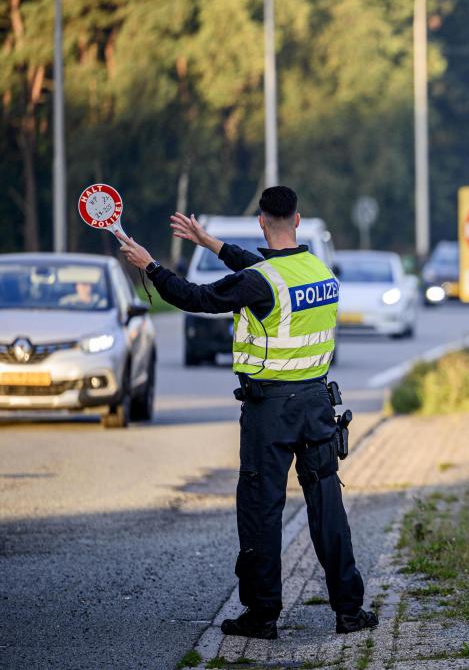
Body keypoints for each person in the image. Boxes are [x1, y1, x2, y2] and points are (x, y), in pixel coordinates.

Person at [115, 186, 377, 639]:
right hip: (317, 405)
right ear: (297, 220)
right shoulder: (317, 269)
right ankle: (349, 611)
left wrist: (150, 267)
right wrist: (209, 243)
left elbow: (196, 298)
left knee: (261, 510)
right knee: (327, 508)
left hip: (270, 411)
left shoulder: (262, 282)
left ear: (261, 222)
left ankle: (262, 615)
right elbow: (261, 270)